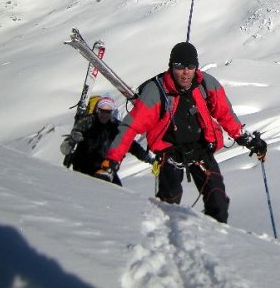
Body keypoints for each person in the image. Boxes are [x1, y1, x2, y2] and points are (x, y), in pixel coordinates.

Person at [94, 42, 267, 223]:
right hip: (170, 153)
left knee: (218, 203)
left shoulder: (206, 84)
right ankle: (165, 241)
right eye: (179, 67)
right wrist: (111, 162)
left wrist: (246, 139)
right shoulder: (156, 91)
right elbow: (131, 127)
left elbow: (225, 114)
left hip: (201, 150)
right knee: (169, 204)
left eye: (190, 66)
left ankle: (215, 242)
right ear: (171, 66)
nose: (185, 72)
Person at [60, 95, 152, 186]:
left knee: (118, 192)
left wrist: (146, 157)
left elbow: (131, 144)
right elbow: (65, 148)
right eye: (102, 111)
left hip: (105, 170)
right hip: (83, 169)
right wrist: (72, 139)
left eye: (108, 112)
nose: (104, 115)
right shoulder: (87, 122)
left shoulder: (116, 126)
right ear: (97, 110)